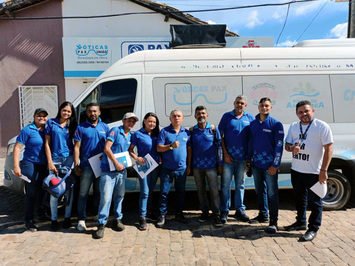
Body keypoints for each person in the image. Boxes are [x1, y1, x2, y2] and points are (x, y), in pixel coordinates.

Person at [284, 100, 333, 241]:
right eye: (300, 112)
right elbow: (287, 145)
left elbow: (329, 148)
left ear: (313, 111)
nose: (303, 114)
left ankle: (313, 228)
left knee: (315, 202)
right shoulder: (294, 126)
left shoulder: (321, 126)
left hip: (314, 172)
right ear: (297, 114)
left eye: (306, 111)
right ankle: (300, 222)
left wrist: (324, 170)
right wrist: (292, 148)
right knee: (299, 199)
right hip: (297, 170)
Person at [94, 112, 138, 239]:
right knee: (106, 198)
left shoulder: (130, 135)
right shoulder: (115, 131)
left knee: (119, 196)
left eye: (133, 121)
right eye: (129, 120)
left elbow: (129, 151)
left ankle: (117, 219)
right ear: (123, 121)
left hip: (121, 171)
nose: (131, 123)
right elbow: (107, 148)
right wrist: (116, 163)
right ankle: (101, 224)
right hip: (109, 170)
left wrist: (136, 158)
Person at [248, 98, 284, 234]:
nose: (264, 108)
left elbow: (279, 147)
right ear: (258, 107)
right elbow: (251, 144)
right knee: (259, 191)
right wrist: (249, 162)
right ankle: (263, 214)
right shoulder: (253, 124)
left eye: (267, 106)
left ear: (271, 108)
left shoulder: (276, 124)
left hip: (270, 167)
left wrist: (275, 165)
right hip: (256, 165)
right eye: (262, 105)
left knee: (272, 193)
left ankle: (273, 222)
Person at [218, 95, 254, 224]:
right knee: (225, 185)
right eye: (238, 102)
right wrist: (225, 154)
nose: (239, 105)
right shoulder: (227, 116)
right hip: (229, 158)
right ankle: (224, 211)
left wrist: (249, 159)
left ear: (245, 105)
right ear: (234, 103)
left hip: (243, 159)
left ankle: (240, 210)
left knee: (240, 185)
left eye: (242, 103)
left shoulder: (250, 118)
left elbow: (252, 139)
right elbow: (220, 137)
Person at [74, 103, 109, 231]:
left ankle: (96, 215)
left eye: (95, 111)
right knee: (83, 193)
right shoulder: (81, 127)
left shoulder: (105, 127)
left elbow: (109, 146)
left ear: (99, 112)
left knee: (99, 192)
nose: (92, 113)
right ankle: (81, 219)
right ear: (86, 113)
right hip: (86, 166)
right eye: (89, 111)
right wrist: (76, 164)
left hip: (101, 166)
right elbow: (77, 147)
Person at [13, 108, 49, 232]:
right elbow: (17, 148)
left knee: (44, 190)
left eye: (44, 116)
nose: (42, 118)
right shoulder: (27, 130)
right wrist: (16, 166)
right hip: (30, 164)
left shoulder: (47, 129)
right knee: (31, 192)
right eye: (39, 116)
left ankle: (41, 213)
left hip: (44, 164)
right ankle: (29, 220)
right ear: (34, 116)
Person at [44, 101, 77, 231]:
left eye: (69, 111)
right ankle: (54, 219)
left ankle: (67, 218)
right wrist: (50, 162)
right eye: (64, 110)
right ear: (60, 110)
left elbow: (76, 145)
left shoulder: (72, 125)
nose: (66, 113)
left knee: (69, 190)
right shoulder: (51, 123)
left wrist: (75, 162)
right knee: (54, 190)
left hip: (68, 160)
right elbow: (47, 144)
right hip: (55, 160)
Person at [156, 110, 191, 227]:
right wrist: (170, 146)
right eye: (174, 116)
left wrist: (189, 165)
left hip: (182, 169)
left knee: (181, 192)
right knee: (164, 193)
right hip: (167, 168)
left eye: (179, 116)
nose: (176, 118)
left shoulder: (186, 133)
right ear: (170, 119)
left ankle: (179, 213)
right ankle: (162, 215)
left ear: (182, 119)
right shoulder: (164, 132)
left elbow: (189, 150)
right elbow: (159, 148)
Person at [189, 106, 223, 227]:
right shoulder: (192, 130)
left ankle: (216, 214)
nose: (201, 116)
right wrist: (189, 166)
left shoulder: (213, 129)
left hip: (211, 166)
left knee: (214, 191)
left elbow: (219, 147)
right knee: (201, 191)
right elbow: (190, 149)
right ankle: (204, 212)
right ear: (195, 116)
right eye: (198, 114)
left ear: (207, 115)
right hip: (197, 167)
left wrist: (220, 164)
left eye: (203, 113)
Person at [128, 112, 160, 230]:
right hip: (143, 166)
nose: (152, 124)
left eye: (154, 122)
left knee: (151, 190)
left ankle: (149, 212)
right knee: (145, 191)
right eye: (150, 121)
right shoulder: (137, 134)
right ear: (145, 121)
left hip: (155, 165)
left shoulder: (157, 133)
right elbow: (130, 150)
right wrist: (136, 158)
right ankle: (142, 217)